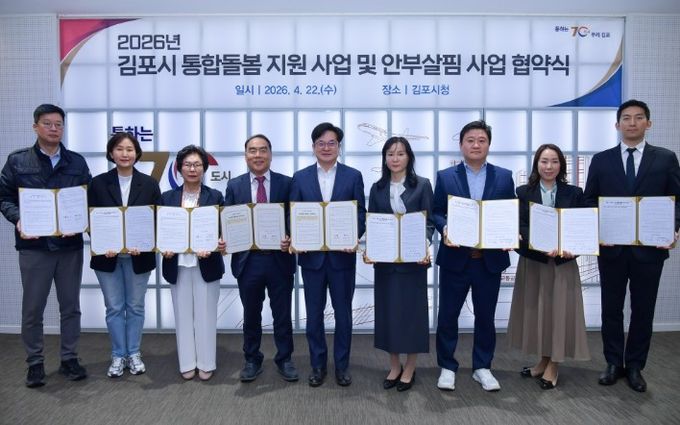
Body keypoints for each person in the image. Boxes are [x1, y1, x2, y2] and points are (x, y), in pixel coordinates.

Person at [584, 99, 680, 392]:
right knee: (611, 309)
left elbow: (676, 200)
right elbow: (589, 200)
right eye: (626, 118)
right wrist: (598, 229)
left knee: (643, 309)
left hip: (649, 250)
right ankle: (613, 362)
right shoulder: (601, 160)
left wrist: (672, 228)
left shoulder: (665, 158)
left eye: (639, 118)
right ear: (617, 124)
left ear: (648, 123)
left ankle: (636, 365)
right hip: (611, 248)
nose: (632, 123)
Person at [0, 104, 91, 387]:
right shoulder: (18, 161)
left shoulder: (76, 162)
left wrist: (83, 220)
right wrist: (18, 219)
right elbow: (4, 197)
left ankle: (69, 358)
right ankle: (35, 362)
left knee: (71, 307)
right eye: (48, 123)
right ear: (35, 126)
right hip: (34, 247)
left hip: (69, 246)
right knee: (33, 308)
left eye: (58, 124)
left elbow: (87, 199)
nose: (54, 129)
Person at [432, 120, 515, 392]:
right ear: (461, 145)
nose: (476, 145)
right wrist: (445, 227)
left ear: (489, 144)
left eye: (481, 140)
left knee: (485, 317)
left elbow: (510, 212)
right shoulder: (446, 176)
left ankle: (482, 367)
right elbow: (436, 211)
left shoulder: (504, 176)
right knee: (447, 316)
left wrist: (509, 234)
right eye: (470, 140)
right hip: (455, 259)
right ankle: (447, 366)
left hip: (488, 261)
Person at [506, 143, 590, 390]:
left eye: (554, 161)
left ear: (561, 165)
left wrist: (572, 246)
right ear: (537, 164)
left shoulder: (574, 193)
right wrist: (539, 245)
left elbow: (583, 225)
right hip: (534, 263)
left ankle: (554, 364)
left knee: (559, 313)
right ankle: (543, 360)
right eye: (544, 161)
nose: (549, 166)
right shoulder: (523, 192)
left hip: (563, 264)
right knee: (540, 314)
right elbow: (519, 226)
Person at [290, 122, 366, 387]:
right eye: (320, 143)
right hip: (311, 259)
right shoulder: (300, 177)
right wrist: (296, 236)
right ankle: (318, 365)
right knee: (313, 316)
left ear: (339, 147)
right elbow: (293, 213)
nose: (326, 147)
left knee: (343, 315)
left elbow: (360, 213)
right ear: (313, 147)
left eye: (331, 143)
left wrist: (354, 235)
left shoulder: (353, 176)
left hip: (342, 258)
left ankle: (342, 366)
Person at [224, 134, 298, 383]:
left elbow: (292, 218)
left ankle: (284, 359)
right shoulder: (234, 186)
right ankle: (252, 359)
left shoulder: (286, 183)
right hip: (248, 262)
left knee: (282, 314)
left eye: (263, 150)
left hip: (279, 259)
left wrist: (290, 236)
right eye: (252, 150)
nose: (258, 155)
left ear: (270, 154)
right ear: (245, 155)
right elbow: (227, 220)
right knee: (251, 314)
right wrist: (224, 239)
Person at [87, 132, 161, 378]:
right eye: (119, 149)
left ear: (137, 153)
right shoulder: (97, 183)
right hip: (107, 257)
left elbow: (157, 220)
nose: (125, 154)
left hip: (139, 256)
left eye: (129, 149)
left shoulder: (149, 184)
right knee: (114, 307)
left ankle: (134, 353)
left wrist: (146, 242)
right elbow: (89, 219)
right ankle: (118, 355)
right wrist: (102, 242)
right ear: (111, 153)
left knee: (136, 307)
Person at [364, 137, 434, 392]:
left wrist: (423, 244)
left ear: (409, 157)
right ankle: (394, 365)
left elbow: (429, 222)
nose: (395, 158)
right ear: (385, 158)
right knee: (389, 315)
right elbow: (372, 222)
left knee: (412, 315)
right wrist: (370, 248)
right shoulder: (377, 188)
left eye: (401, 154)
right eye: (390, 154)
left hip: (413, 263)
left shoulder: (422, 185)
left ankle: (411, 367)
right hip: (385, 264)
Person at [160, 145, 226, 381]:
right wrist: (163, 246)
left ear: (204, 168)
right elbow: (160, 230)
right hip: (176, 263)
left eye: (197, 164)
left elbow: (222, 230)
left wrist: (218, 243)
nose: (192, 169)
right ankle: (187, 362)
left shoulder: (215, 197)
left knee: (206, 315)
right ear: (179, 168)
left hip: (207, 263)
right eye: (187, 164)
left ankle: (206, 362)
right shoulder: (167, 197)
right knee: (183, 315)